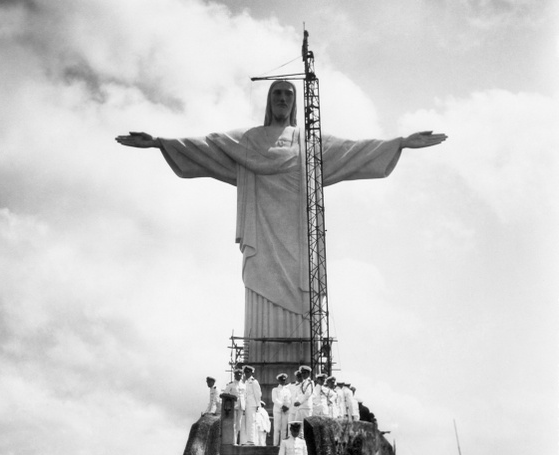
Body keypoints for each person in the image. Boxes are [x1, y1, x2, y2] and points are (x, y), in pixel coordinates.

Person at [115, 81, 447, 340]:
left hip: (299, 237)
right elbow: (207, 145)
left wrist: (400, 142)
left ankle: (301, 360)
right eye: (277, 93)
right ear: (269, 99)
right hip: (262, 230)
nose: (283, 99)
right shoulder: (247, 139)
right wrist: (160, 141)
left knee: (304, 296)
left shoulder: (309, 142)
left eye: (289, 94)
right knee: (260, 286)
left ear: (295, 102)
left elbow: (353, 150)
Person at [223, 368, 246, 445]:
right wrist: (231, 397)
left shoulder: (243, 385)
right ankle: (234, 441)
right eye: (237, 375)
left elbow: (245, 396)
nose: (239, 376)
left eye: (240, 375)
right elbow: (224, 394)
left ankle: (239, 441)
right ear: (235, 375)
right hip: (234, 406)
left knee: (239, 424)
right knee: (234, 424)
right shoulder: (231, 385)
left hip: (241, 406)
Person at [243, 365, 262, 445]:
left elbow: (258, 394)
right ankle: (248, 440)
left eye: (248, 372)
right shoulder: (245, 382)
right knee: (247, 422)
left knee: (251, 422)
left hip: (252, 404)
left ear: (251, 372)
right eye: (245, 372)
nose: (246, 374)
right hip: (246, 405)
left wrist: (258, 405)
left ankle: (251, 440)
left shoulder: (254, 382)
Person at [272, 373, 291, 446]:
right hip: (278, 410)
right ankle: (275, 444)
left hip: (285, 411)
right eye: (281, 380)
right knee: (277, 428)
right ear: (278, 381)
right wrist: (282, 406)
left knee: (284, 429)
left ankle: (282, 445)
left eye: (284, 380)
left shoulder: (287, 390)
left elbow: (289, 400)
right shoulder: (275, 390)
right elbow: (274, 399)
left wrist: (287, 407)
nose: (283, 381)